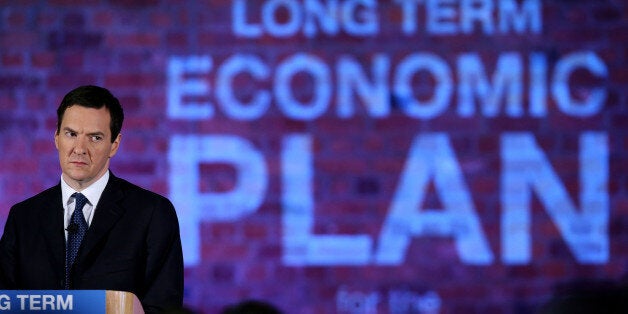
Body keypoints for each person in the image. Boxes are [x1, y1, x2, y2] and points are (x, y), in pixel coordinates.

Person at [0, 85, 184, 313]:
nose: (79, 149)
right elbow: (5, 302)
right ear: (57, 138)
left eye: (95, 137)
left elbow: (163, 306)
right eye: (71, 134)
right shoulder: (23, 217)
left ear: (114, 145)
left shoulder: (152, 213)